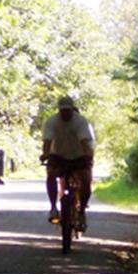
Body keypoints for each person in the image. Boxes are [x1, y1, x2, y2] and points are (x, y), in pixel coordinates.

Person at [40, 95, 95, 229]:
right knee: (51, 174)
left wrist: (88, 156)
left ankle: (81, 211)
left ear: (72, 109)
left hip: (78, 156)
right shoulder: (52, 122)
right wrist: (45, 154)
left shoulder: (80, 122)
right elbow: (47, 141)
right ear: (59, 110)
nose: (65, 113)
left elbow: (84, 141)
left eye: (68, 110)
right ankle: (53, 207)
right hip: (58, 155)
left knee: (86, 179)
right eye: (62, 110)